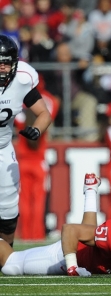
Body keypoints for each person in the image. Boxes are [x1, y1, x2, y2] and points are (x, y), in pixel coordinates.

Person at [0, 173, 111, 276]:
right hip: (66, 255)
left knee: (92, 236)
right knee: (11, 265)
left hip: (90, 253)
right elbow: (70, 230)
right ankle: (90, 190)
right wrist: (72, 267)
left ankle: (90, 189)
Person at [0, 34, 52, 247]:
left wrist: (37, 130)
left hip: (3, 148)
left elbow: (44, 114)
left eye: (6, 63)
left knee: (9, 209)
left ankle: (5, 257)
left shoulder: (22, 79)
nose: (2, 68)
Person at [14, 74, 60, 240]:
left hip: (23, 160)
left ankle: (25, 235)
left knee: (24, 202)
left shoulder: (18, 98)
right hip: (39, 162)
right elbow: (52, 109)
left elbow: (16, 119)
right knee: (39, 202)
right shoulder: (47, 102)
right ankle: (37, 234)